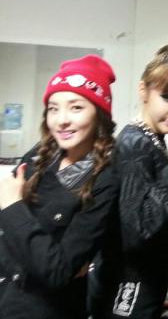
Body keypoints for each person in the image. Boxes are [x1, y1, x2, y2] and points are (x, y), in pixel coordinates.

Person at [97, 44, 168, 319]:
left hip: (145, 277)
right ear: (143, 91)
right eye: (167, 97)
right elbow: (140, 227)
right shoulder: (135, 144)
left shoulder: (151, 141)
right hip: (128, 280)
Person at [0, 55, 119, 319]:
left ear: (99, 114)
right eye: (54, 109)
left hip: (43, 310)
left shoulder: (105, 178)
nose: (61, 120)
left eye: (76, 108)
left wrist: (13, 207)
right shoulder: (40, 155)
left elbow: (58, 271)